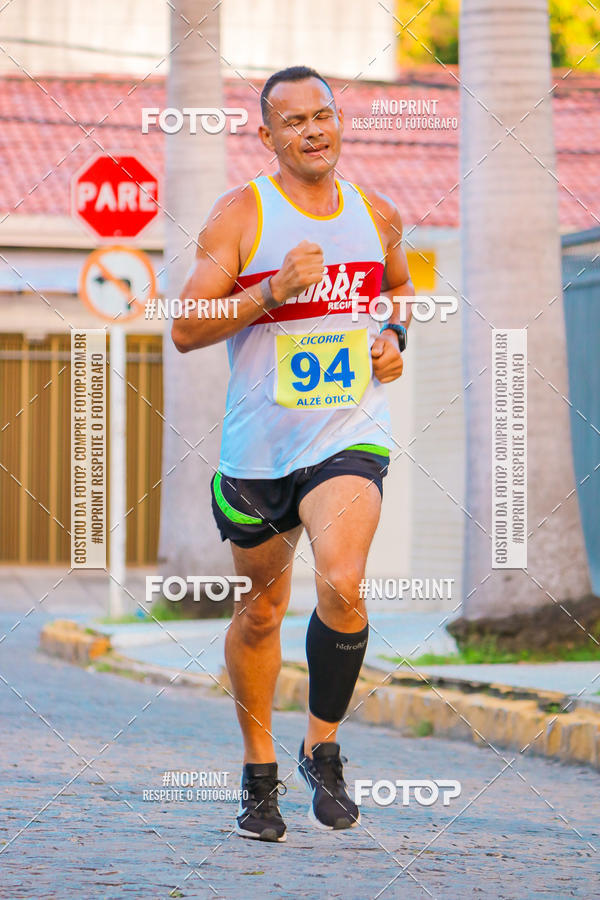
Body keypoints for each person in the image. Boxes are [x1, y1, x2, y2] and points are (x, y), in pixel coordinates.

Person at [172, 65, 414, 842]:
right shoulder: (242, 212)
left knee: (342, 583)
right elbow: (186, 325)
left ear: (340, 121)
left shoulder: (377, 213)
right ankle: (258, 771)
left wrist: (393, 336)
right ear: (268, 134)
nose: (312, 130)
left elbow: (400, 289)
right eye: (293, 120)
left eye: (324, 115)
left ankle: (322, 746)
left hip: (347, 434)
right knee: (263, 611)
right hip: (258, 453)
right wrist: (269, 292)